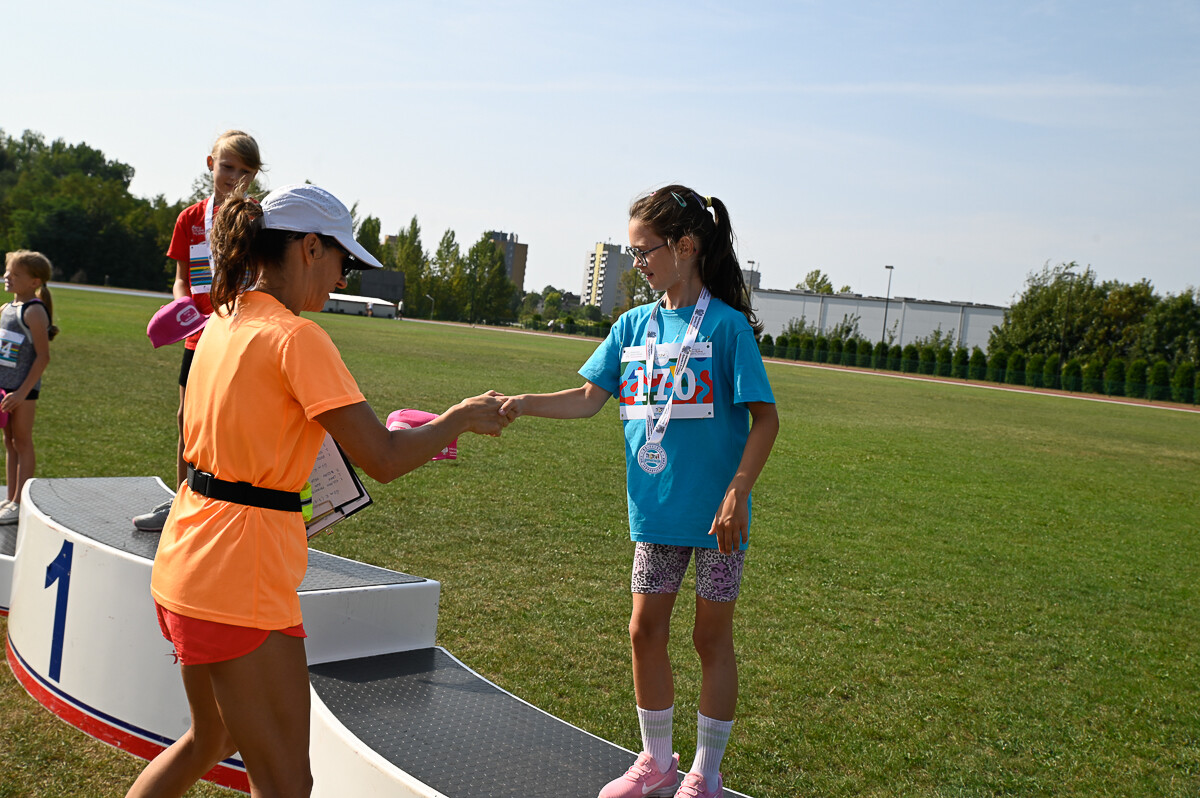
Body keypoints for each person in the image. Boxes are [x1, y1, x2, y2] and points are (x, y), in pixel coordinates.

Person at [125, 183, 509, 798]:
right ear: (309, 248)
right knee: (286, 785)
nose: (341, 277)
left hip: (191, 557)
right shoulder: (297, 338)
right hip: (239, 575)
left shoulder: (223, 319)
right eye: (343, 260)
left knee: (211, 739)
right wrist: (458, 417)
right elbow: (381, 459)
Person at [500, 185, 778, 798]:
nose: (638, 264)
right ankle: (657, 762)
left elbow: (767, 419)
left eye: (644, 251)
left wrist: (737, 491)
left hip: (716, 521)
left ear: (685, 247)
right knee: (643, 631)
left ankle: (706, 771)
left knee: (710, 638)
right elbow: (587, 399)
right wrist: (519, 403)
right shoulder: (632, 326)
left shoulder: (728, 330)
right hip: (654, 513)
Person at [133, 130, 264, 532]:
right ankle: (180, 502)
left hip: (239, 334)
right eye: (227, 167)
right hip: (198, 334)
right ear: (211, 164)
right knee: (186, 418)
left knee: (231, 421)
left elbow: (263, 274)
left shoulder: (256, 217)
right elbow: (180, 279)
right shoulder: (189, 218)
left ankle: (230, 509)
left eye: (245, 171)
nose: (234, 178)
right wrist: (181, 305)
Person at [0, 251, 59, 525]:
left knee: (22, 441)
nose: (7, 277)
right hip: (5, 389)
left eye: (15, 274)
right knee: (9, 442)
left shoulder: (33, 311)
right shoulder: (6, 308)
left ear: (34, 281)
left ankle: (19, 502)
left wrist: (22, 392)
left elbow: (43, 356)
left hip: (23, 391)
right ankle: (10, 497)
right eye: (7, 272)